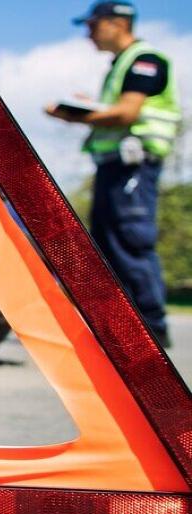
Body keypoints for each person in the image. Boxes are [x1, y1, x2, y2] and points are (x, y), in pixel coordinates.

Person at [46, 1, 181, 348]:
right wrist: (91, 107)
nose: (88, 33)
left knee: (130, 240)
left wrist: (75, 116)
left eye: (92, 26)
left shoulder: (144, 60)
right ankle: (121, 328)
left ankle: (150, 328)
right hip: (114, 166)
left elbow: (127, 113)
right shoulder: (121, 64)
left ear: (117, 23)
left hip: (132, 166)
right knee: (107, 243)